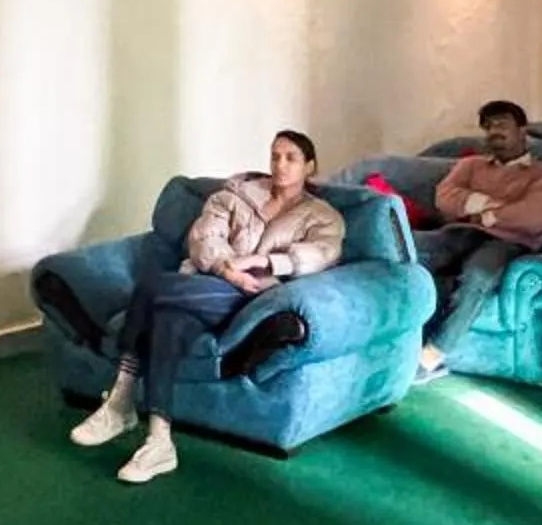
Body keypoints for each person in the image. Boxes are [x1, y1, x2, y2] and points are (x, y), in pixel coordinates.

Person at [70, 131, 347, 485]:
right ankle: (159, 440)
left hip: (252, 295)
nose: (280, 165)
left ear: (310, 166)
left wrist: (264, 261)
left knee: (153, 287)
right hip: (209, 280)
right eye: (275, 156)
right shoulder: (234, 195)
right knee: (166, 319)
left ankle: (121, 399)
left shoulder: (323, 216)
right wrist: (225, 268)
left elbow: (320, 254)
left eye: (291, 158)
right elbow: (203, 237)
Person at [415, 100, 542, 373]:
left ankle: (433, 356)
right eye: (489, 126)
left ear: (522, 130)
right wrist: (492, 206)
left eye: (502, 124)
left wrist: (480, 211)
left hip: (510, 242)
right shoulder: (471, 166)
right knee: (406, 253)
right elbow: (444, 198)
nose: (495, 131)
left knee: (477, 276)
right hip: (460, 233)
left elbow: (532, 218)